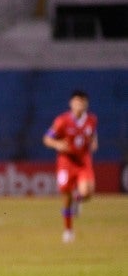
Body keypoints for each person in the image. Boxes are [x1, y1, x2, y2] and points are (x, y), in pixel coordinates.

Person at [42, 90, 98, 243]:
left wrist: (93, 142)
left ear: (86, 104)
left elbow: (92, 135)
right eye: (76, 102)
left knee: (87, 193)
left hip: (83, 161)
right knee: (66, 196)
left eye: (82, 102)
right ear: (71, 103)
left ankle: (78, 199)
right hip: (66, 162)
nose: (79, 105)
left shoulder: (92, 120)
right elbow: (47, 138)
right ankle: (68, 231)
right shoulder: (62, 121)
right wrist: (57, 144)